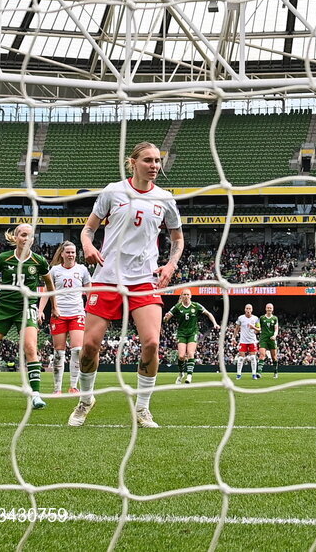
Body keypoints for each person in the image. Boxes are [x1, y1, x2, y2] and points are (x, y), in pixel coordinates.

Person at [68, 142, 184, 429]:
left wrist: (170, 265)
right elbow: (88, 229)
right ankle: (85, 400)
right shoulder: (113, 191)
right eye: (148, 160)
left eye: (158, 161)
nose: (155, 165)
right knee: (90, 347)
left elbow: (178, 239)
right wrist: (88, 246)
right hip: (107, 278)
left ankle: (142, 408)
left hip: (144, 280)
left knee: (152, 342)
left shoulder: (165, 198)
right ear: (133, 163)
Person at [0, 224, 54, 409]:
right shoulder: (4, 258)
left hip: (26, 308)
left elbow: (50, 286)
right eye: (22, 234)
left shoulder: (39, 261)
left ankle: (35, 395)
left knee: (30, 348)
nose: (26, 238)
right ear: (16, 237)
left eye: (29, 235)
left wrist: (51, 308)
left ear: (32, 239)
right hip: (3, 308)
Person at [47, 241, 91, 395]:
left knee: (77, 350)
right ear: (62, 254)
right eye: (68, 252)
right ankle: (57, 388)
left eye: (73, 252)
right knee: (59, 353)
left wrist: (92, 310)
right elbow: (47, 293)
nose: (71, 255)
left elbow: (90, 291)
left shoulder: (82, 270)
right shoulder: (54, 271)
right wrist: (41, 311)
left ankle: (73, 386)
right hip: (59, 314)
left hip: (77, 313)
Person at [164, 289, 218, 385]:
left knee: (190, 353)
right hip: (181, 333)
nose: (186, 296)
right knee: (181, 356)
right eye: (184, 294)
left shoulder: (196, 306)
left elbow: (208, 313)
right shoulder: (177, 306)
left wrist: (215, 323)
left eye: (188, 294)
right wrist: (165, 317)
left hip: (193, 333)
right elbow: (166, 320)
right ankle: (181, 374)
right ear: (181, 296)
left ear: (191, 296)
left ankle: (189, 375)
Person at [233, 304, 261, 380]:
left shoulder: (255, 318)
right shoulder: (240, 318)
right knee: (241, 358)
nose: (248, 310)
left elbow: (259, 329)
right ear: (245, 309)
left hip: (252, 341)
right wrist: (233, 338)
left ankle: (254, 374)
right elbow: (236, 329)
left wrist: (253, 327)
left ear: (252, 310)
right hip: (243, 341)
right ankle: (238, 374)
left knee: (253, 357)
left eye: (249, 308)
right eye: (247, 308)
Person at [257, 303, 279, 379]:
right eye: (268, 308)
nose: (269, 309)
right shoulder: (262, 318)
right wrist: (255, 329)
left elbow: (276, 329)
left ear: (272, 309)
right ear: (265, 309)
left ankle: (275, 372)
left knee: (274, 357)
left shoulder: (275, 318)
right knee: (262, 355)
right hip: (263, 338)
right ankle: (259, 373)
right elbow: (259, 328)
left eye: (270, 308)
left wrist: (274, 335)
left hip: (271, 339)